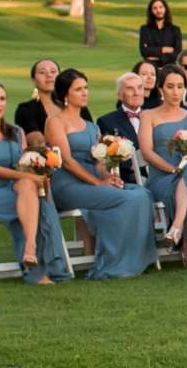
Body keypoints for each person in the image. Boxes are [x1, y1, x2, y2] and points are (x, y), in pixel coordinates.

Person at [44, 68, 156, 279]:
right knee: (127, 200)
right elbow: (66, 161)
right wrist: (97, 183)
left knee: (142, 194)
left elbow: (98, 161)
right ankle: (113, 263)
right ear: (65, 95)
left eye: (85, 88)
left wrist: (108, 177)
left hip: (92, 180)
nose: (85, 92)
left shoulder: (90, 126)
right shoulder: (55, 122)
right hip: (68, 184)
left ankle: (133, 258)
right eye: (78, 89)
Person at [0, 79, 68, 284]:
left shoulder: (16, 131)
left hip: (17, 187)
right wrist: (28, 177)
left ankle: (31, 251)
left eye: (2, 98)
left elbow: (23, 165)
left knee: (34, 195)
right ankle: (39, 270)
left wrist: (39, 171)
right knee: (38, 205)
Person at [139, 65, 187, 269]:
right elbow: (147, 153)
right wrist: (173, 169)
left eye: (180, 86)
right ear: (160, 89)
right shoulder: (148, 116)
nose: (176, 92)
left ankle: (176, 230)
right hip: (162, 177)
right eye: (170, 86)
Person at [94, 72, 150, 185]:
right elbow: (109, 161)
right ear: (119, 95)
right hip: (129, 179)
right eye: (130, 89)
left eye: (140, 88)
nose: (136, 93)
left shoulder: (153, 116)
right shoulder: (106, 121)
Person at [13, 59, 58, 137]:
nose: (49, 75)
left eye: (53, 72)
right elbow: (35, 141)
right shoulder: (25, 110)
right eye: (42, 72)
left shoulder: (76, 107)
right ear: (34, 80)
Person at [138, 0, 182, 73]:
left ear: (165, 9)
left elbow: (177, 53)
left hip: (170, 69)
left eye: (160, 7)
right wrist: (163, 49)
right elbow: (144, 51)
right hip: (150, 70)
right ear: (151, 11)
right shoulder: (145, 29)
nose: (158, 10)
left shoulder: (175, 30)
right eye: (155, 8)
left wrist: (157, 57)